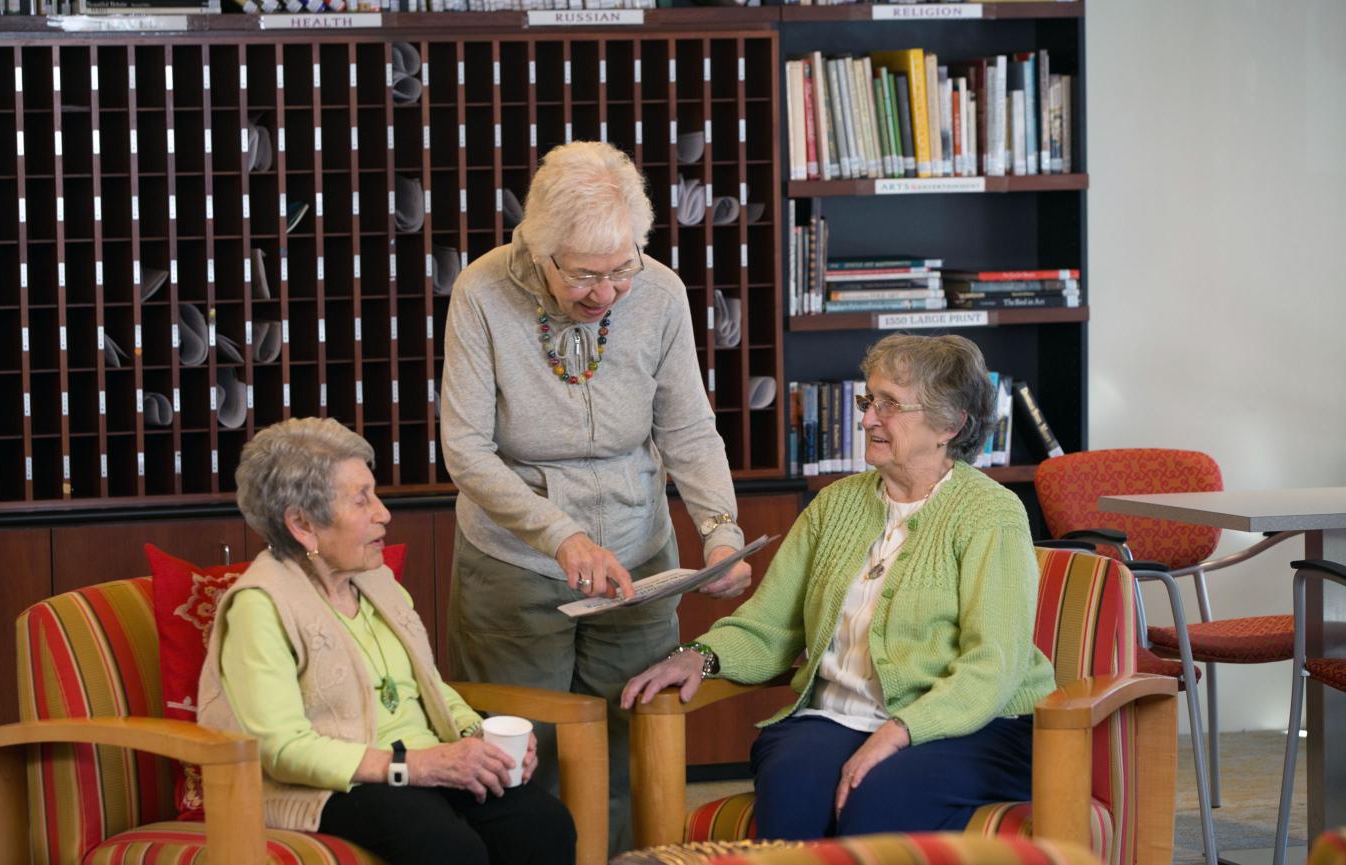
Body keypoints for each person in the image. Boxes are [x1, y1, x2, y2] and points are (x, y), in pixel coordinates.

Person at [440, 140, 751, 853]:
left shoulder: (663, 293)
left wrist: (721, 529)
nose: (606, 292)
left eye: (621, 271)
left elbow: (689, 430)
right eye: (585, 276)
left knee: (628, 745)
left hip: (639, 565)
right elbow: (466, 449)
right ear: (540, 249)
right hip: (515, 566)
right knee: (521, 757)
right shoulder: (482, 293)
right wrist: (559, 534)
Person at [622, 333, 1058, 840]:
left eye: (890, 404)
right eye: (868, 399)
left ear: (949, 424)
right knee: (791, 792)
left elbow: (992, 667)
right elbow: (769, 626)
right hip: (837, 716)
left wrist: (900, 731)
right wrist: (699, 655)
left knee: (878, 799)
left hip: (974, 727)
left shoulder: (991, 514)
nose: (868, 417)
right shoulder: (834, 505)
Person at [196, 417, 574, 865]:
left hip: (419, 765)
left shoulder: (374, 580)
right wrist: (414, 767)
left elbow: (428, 686)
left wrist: (479, 739)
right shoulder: (260, 607)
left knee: (542, 822)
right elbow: (281, 749)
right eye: (362, 500)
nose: (383, 513)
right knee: (449, 851)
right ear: (302, 524)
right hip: (335, 784)